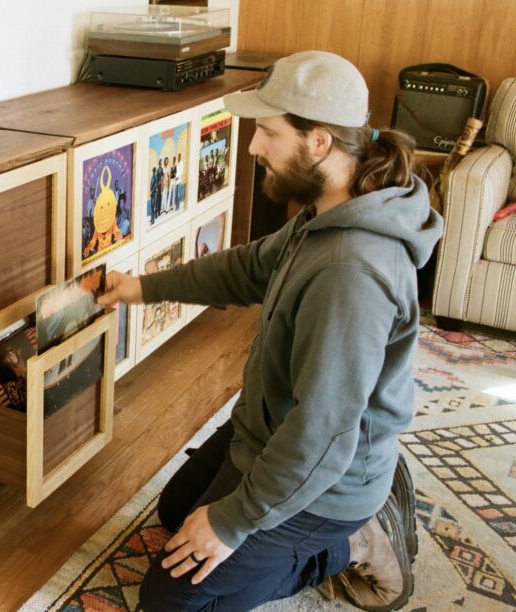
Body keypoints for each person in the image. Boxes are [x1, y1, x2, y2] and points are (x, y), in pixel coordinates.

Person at [97, 50, 442, 611]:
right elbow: (250, 268)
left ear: (320, 142)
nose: (254, 147)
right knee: (177, 511)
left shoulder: (350, 273)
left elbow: (324, 435)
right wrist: (142, 288)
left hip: (330, 480)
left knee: (168, 601)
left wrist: (233, 522)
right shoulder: (330, 210)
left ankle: (353, 542)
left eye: (268, 133)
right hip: (273, 433)